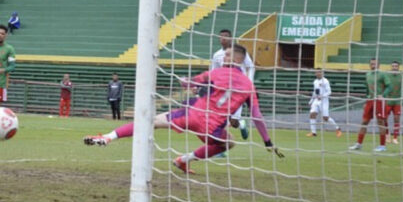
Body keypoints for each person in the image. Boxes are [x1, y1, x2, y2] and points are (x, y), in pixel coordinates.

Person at [83, 45, 284, 174]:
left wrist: (186, 81)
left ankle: (108, 137)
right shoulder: (249, 86)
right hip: (212, 127)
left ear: (239, 59)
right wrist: (267, 141)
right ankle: (183, 160)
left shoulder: (216, 72)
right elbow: (256, 116)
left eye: (228, 54)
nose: (224, 56)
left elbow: (190, 84)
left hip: (192, 114)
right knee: (228, 143)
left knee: (150, 122)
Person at [211, 29, 255, 140]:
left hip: (239, 89)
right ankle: (222, 142)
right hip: (223, 90)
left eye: (226, 36)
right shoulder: (217, 55)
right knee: (222, 118)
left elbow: (251, 66)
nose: (223, 38)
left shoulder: (240, 51)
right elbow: (214, 72)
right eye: (221, 36)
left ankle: (237, 124)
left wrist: (249, 81)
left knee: (233, 120)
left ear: (231, 38)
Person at [349, 58, 392, 152]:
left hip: (380, 101)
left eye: (375, 64)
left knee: (381, 122)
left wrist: (383, 95)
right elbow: (367, 88)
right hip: (370, 101)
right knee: (364, 122)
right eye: (371, 64)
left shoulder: (383, 74)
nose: (373, 65)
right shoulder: (368, 74)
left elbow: (389, 86)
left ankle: (382, 146)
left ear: (379, 65)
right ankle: (359, 144)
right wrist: (367, 96)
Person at [307, 69, 341, 137]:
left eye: (319, 72)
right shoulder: (315, 81)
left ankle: (338, 129)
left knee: (325, 118)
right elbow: (314, 92)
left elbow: (329, 92)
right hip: (316, 100)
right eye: (316, 72)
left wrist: (322, 96)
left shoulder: (325, 81)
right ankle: (313, 132)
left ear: (322, 73)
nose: (317, 73)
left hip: (324, 101)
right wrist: (311, 101)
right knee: (312, 114)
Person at [384, 60, 403, 144]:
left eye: (396, 66)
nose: (394, 67)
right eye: (393, 66)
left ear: (398, 67)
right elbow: (383, 86)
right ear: (391, 67)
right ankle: (387, 135)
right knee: (384, 118)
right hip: (388, 100)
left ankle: (395, 138)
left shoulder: (402, 76)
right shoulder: (387, 75)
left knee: (396, 119)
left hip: (397, 101)